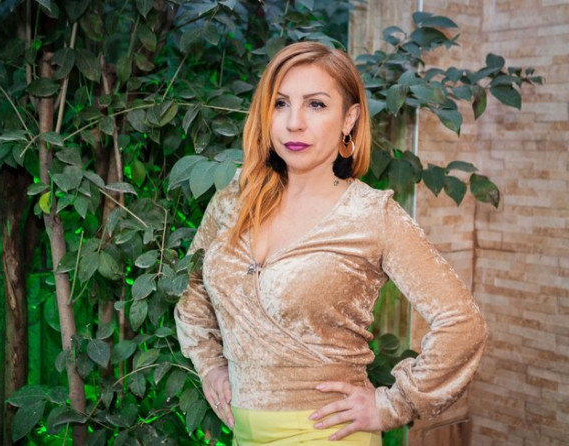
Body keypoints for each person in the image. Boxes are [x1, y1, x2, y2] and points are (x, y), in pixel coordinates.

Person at [174, 41, 487, 445]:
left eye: (316, 105)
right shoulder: (234, 199)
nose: (294, 123)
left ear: (349, 119)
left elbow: (463, 325)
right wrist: (209, 366)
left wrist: (393, 405)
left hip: (331, 435)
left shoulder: (370, 214)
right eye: (280, 103)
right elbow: (193, 288)